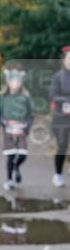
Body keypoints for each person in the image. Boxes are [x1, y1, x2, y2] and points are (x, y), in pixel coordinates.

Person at [0, 64, 33, 191]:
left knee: (22, 155)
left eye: (18, 81)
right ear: (8, 82)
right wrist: (2, 123)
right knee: (10, 155)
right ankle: (9, 179)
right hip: (8, 130)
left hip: (21, 129)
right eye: (12, 81)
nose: (15, 84)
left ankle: (16, 167)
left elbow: (30, 113)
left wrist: (27, 126)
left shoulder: (25, 97)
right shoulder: (3, 97)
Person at [50, 46, 70, 188]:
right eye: (69, 58)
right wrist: (66, 101)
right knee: (62, 146)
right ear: (64, 60)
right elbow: (52, 95)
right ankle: (58, 175)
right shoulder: (58, 76)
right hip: (61, 118)